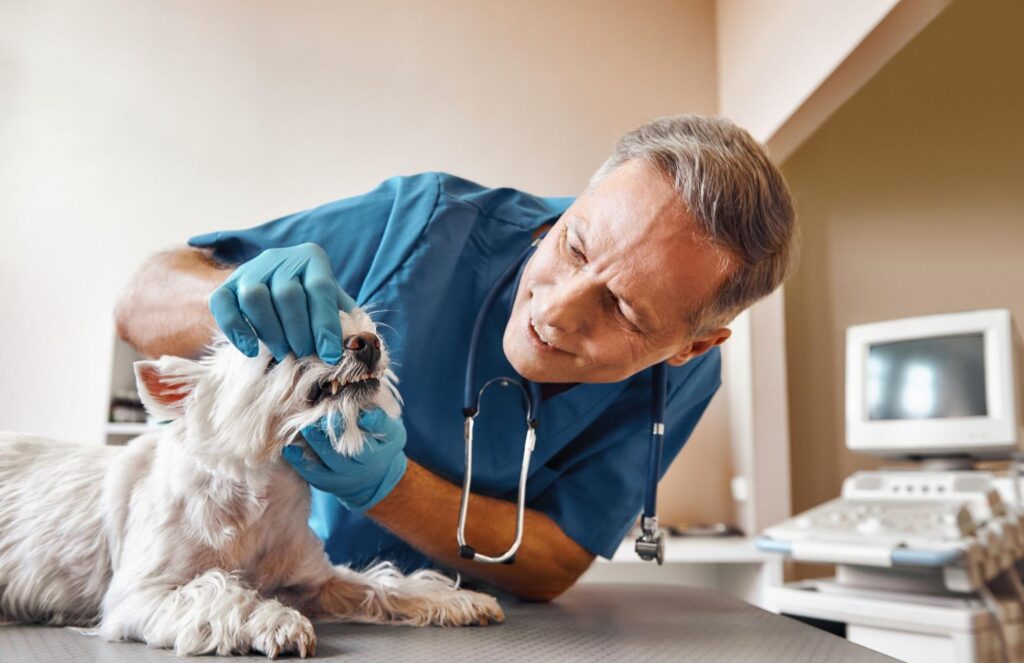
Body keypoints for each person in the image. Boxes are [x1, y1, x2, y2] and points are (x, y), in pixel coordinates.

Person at [116, 115, 796, 602]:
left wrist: (389, 487)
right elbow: (139, 303)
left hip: (455, 630)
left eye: (623, 309)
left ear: (692, 346)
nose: (553, 310)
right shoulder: (424, 224)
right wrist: (242, 306)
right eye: (574, 246)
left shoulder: (681, 381)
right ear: (580, 203)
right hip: (248, 586)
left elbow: (555, 563)